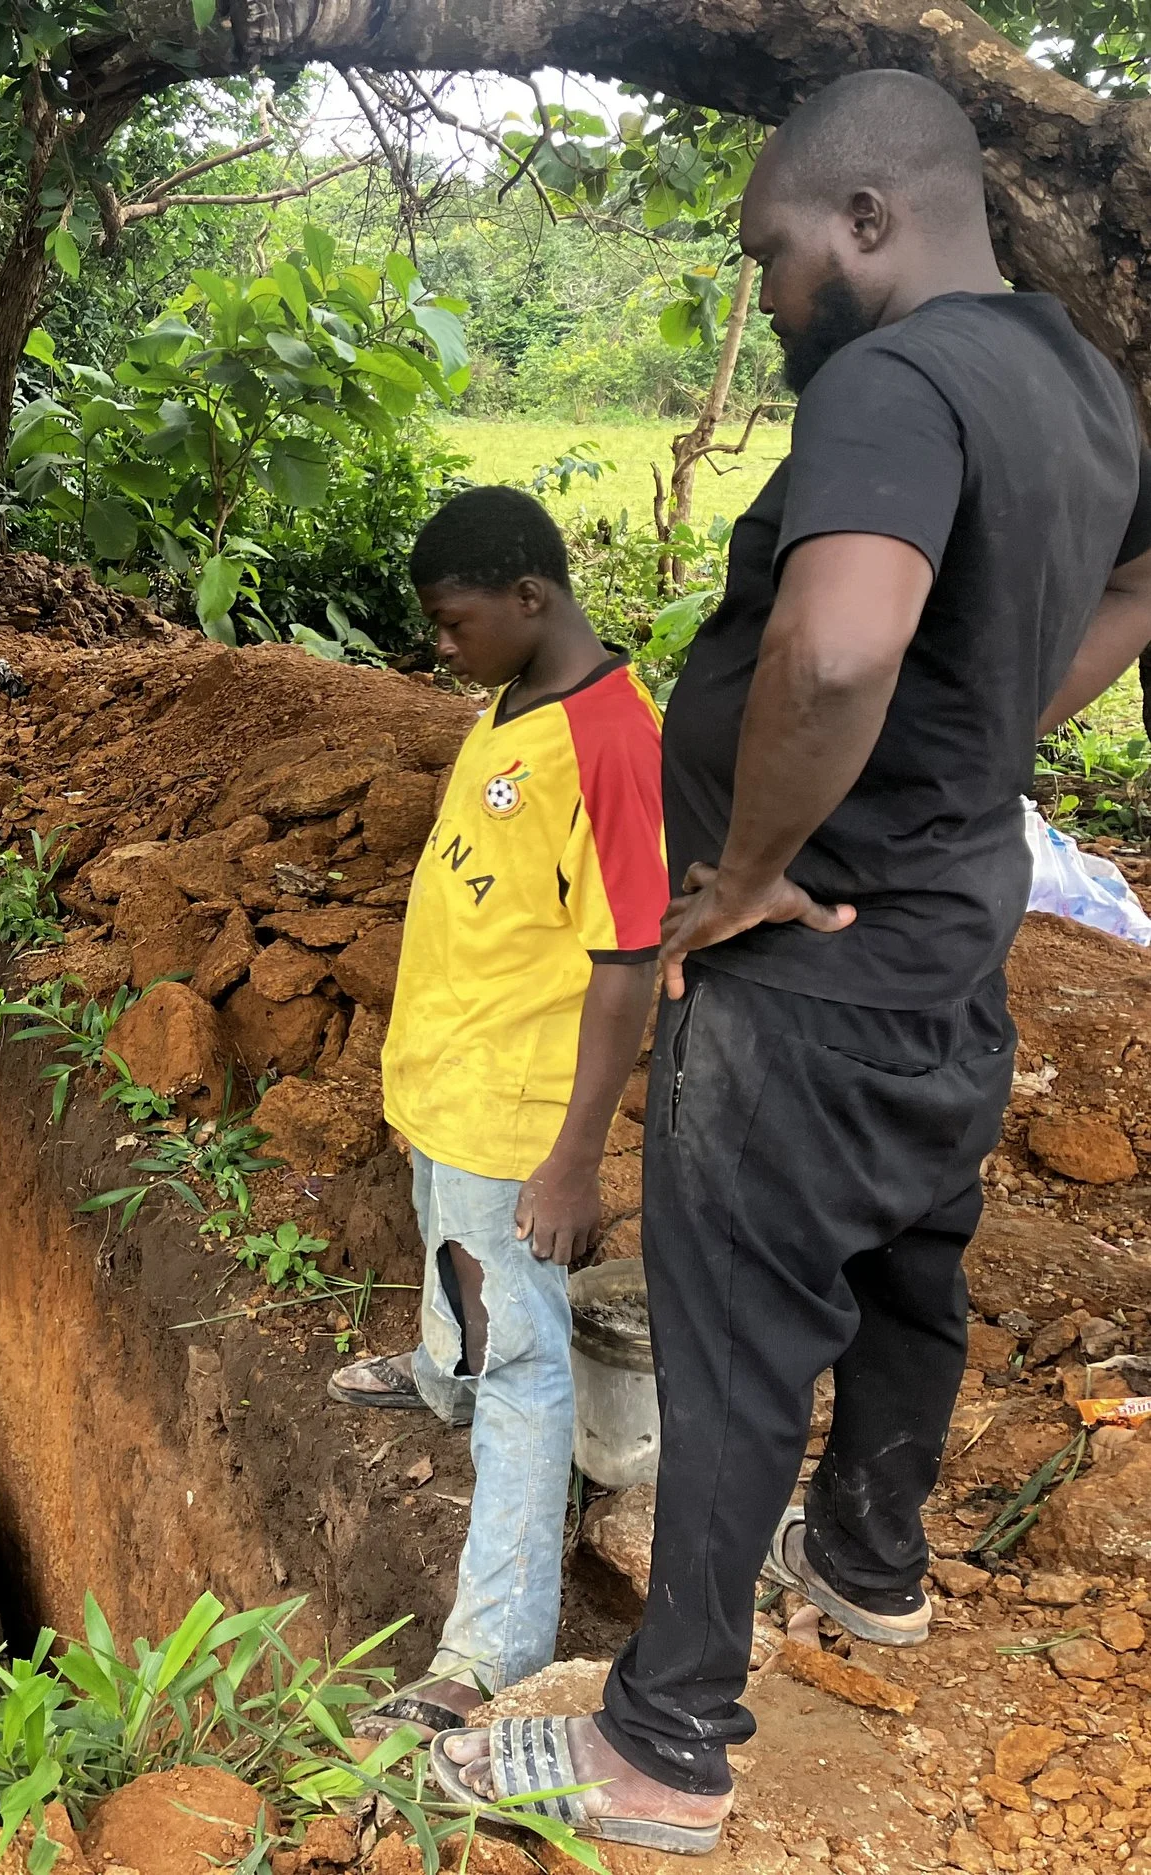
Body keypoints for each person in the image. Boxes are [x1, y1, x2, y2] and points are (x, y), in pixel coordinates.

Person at [431, 69, 1151, 1856]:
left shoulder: (894, 384)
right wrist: (975, 750)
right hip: (945, 928)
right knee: (913, 1261)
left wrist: (747, 869)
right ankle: (872, 1566)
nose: (764, 295)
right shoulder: (1073, 376)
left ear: (867, 222)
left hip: (810, 965)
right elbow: (1133, 589)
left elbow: (832, 655)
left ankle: (663, 1746)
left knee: (738, 1337)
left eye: (769, 255)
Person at [330, 485, 666, 1734]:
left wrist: (575, 1159)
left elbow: (627, 957)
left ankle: (487, 1654)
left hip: (516, 1109)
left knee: (522, 1361)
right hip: (447, 1083)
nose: (438, 644)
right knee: (447, 1258)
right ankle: (433, 1375)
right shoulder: (511, 698)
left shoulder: (614, 745)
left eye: (450, 620)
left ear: (531, 597)